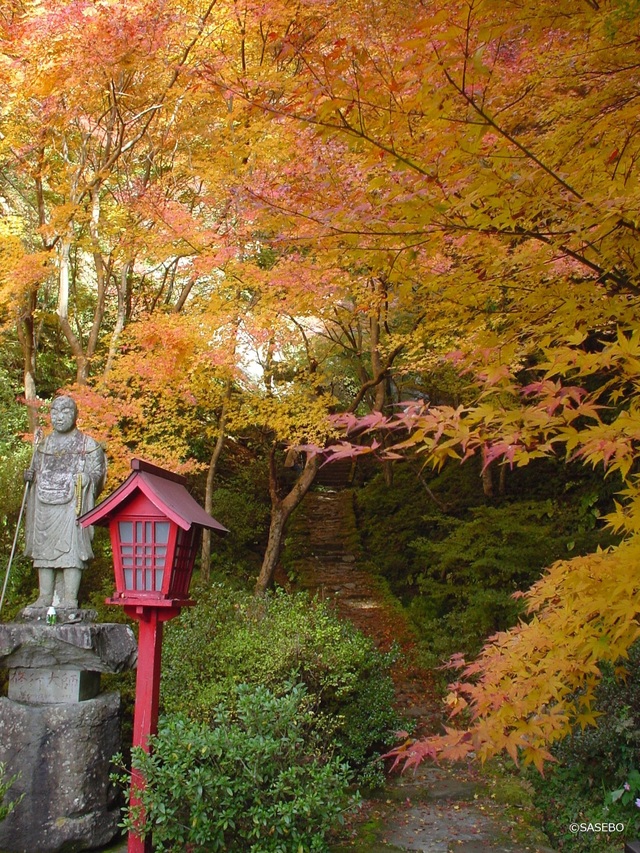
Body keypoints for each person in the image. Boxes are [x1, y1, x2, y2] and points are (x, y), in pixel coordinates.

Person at [24, 396, 107, 610]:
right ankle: (45, 597)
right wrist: (29, 476)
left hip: (73, 502)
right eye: (55, 412)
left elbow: (98, 473)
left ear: (75, 415)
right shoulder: (43, 445)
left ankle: (69, 598)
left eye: (65, 412)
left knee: (72, 549)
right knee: (44, 549)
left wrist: (87, 478)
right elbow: (35, 470)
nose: (59, 417)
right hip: (45, 502)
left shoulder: (87, 444)